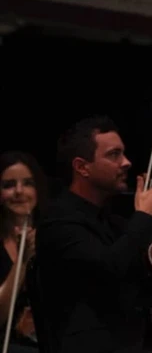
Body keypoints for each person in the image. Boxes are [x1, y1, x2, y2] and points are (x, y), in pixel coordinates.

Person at [36, 115, 152, 353]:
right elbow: (110, 268)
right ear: (82, 167)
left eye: (123, 154)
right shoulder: (59, 221)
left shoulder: (116, 222)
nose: (126, 162)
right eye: (114, 155)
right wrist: (145, 216)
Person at [0, 151, 48, 353]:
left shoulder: (55, 235)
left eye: (28, 183)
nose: (19, 191)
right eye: (9, 185)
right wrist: (22, 260)